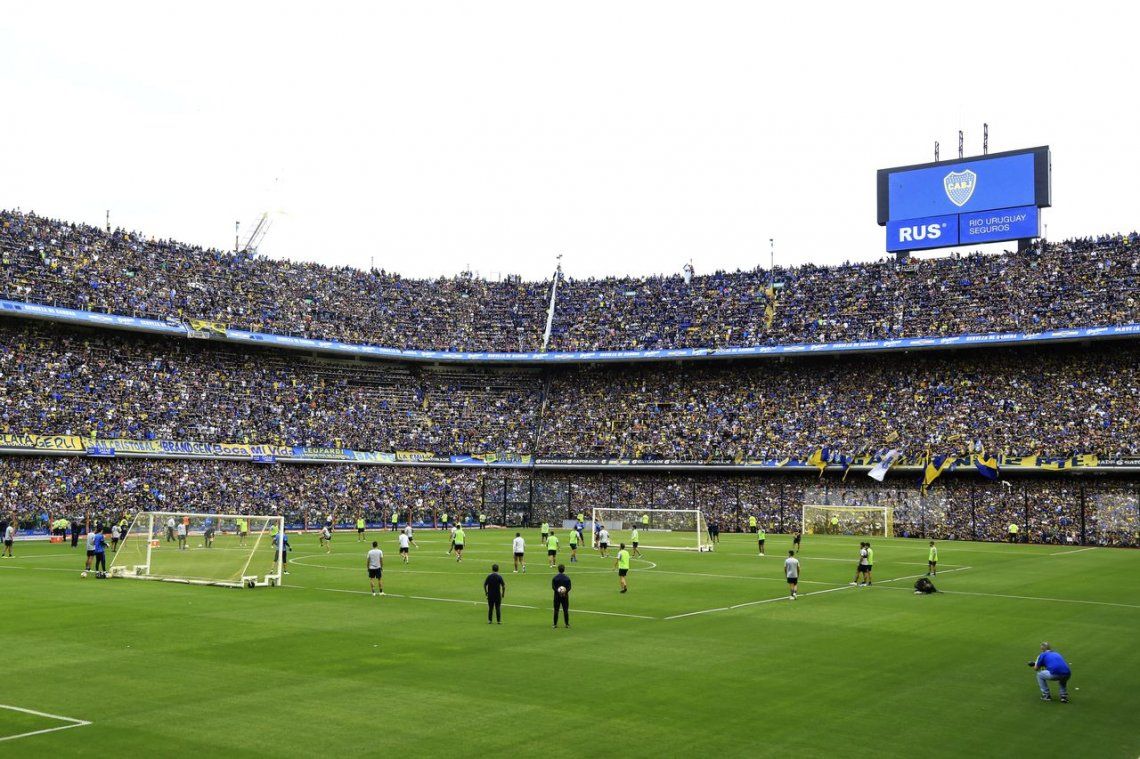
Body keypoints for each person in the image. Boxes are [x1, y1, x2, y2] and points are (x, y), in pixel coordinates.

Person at [552, 564, 571, 628]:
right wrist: (565, 592)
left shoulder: (555, 578)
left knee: (556, 610)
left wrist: (558, 592)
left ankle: (555, 624)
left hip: (557, 596)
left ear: (558, 569)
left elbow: (553, 587)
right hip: (565, 596)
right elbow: (569, 587)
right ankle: (567, 624)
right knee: (565, 610)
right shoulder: (567, 578)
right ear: (564, 569)